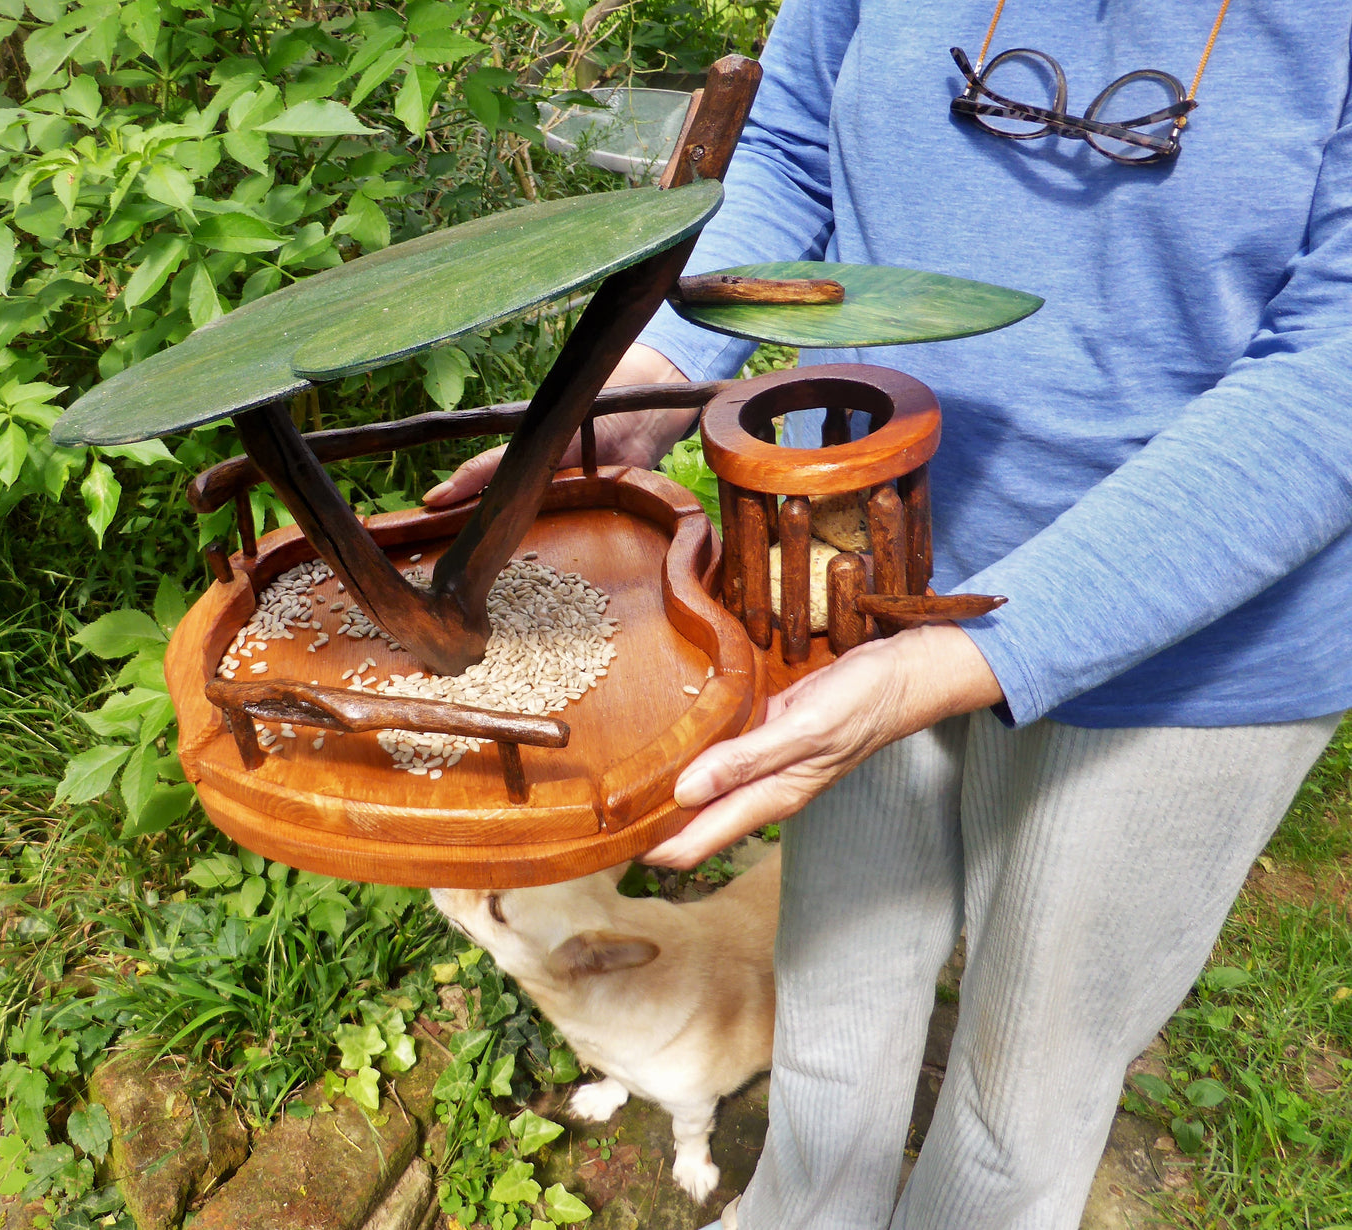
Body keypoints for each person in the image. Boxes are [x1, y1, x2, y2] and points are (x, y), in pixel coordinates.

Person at [425, 1, 1352, 1225]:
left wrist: (973, 651)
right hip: (839, 567)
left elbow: (1327, 372)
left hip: (1198, 644)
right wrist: (638, 389)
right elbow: (797, 143)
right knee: (833, 985)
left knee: (1022, 1095)